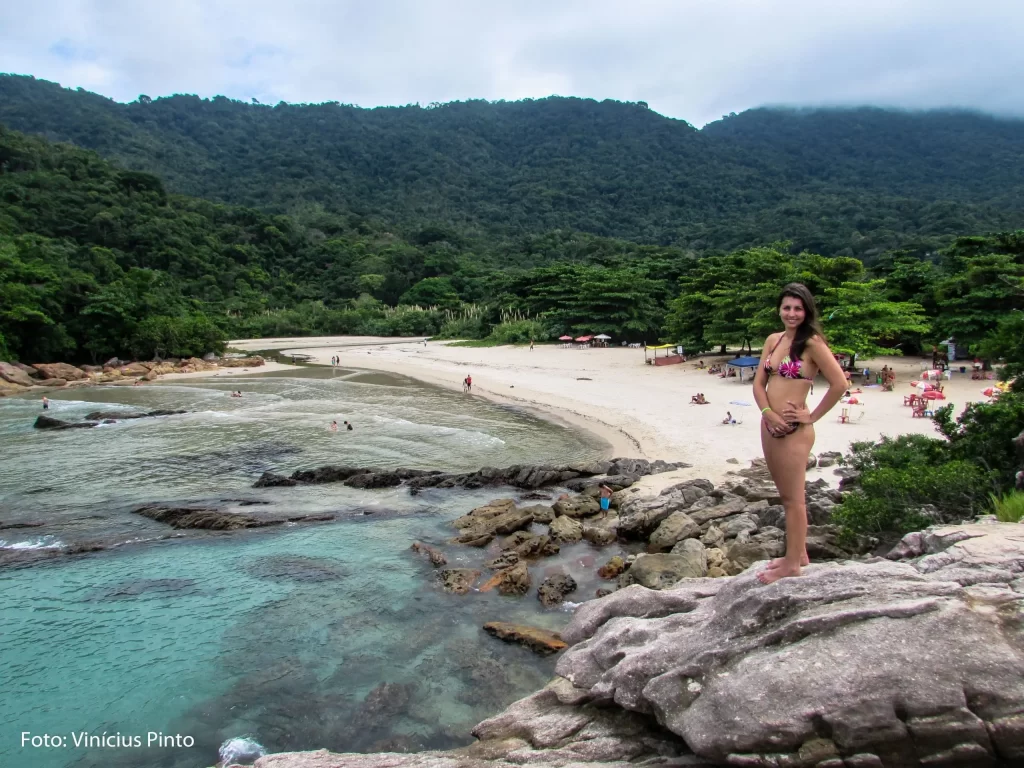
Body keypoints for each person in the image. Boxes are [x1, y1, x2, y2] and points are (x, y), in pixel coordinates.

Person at [753, 283, 847, 584]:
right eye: (786, 307)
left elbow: (840, 384)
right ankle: (798, 553)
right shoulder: (773, 340)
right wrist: (768, 413)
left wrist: (812, 416)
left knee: (795, 500)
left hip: (795, 431)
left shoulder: (812, 344)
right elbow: (758, 385)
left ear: (806, 311)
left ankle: (793, 564)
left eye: (797, 308)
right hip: (770, 425)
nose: (791, 313)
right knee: (784, 496)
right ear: (779, 310)